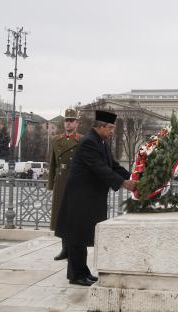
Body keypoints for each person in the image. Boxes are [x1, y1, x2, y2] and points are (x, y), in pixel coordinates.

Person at [55, 110, 136, 286]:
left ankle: (83, 271)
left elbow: (112, 165)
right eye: (110, 128)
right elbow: (100, 168)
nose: (112, 131)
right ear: (100, 126)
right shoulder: (88, 142)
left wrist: (132, 177)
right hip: (80, 196)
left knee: (82, 236)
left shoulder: (100, 141)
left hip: (90, 196)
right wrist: (123, 183)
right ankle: (76, 275)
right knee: (77, 237)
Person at [47, 108, 82, 260]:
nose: (68, 123)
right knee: (61, 215)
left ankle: (73, 249)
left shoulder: (82, 140)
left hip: (75, 180)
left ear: (77, 123)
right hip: (61, 181)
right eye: (66, 120)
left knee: (74, 215)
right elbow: (53, 163)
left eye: (71, 120)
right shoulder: (56, 140)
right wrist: (50, 184)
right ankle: (64, 249)